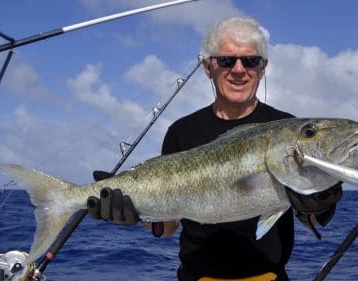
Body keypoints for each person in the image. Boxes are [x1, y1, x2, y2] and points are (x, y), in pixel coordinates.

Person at [87, 17, 342, 281]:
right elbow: (167, 226)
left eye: (251, 61)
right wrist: (133, 211)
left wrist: (321, 202)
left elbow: (309, 220)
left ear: (263, 67)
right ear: (208, 68)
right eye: (226, 61)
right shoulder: (182, 131)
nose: (239, 70)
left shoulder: (288, 129)